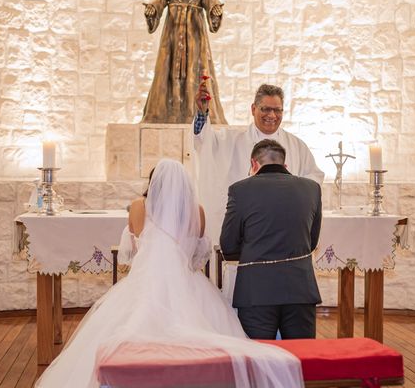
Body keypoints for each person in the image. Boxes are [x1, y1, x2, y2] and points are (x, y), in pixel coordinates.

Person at [35, 159, 303, 388]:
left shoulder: (138, 207)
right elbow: (199, 256)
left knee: (124, 328)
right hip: (187, 282)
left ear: (154, 184)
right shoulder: (197, 211)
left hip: (144, 282)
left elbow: (130, 252)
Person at [193, 82, 324, 252]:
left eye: (277, 110)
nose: (272, 115)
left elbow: (313, 181)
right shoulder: (232, 139)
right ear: (253, 109)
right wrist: (202, 114)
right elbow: (205, 141)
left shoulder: (297, 146)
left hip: (284, 234)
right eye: (265, 109)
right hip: (247, 232)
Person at [220, 140, 322, 339]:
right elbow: (312, 241)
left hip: (256, 290)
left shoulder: (240, 190)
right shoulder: (311, 188)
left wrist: (254, 250)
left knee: (260, 359)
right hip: (300, 288)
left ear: (254, 164)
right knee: (303, 357)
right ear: (285, 165)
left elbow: (228, 245)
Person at [141, 0, 227, 124]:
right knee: (166, 69)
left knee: (196, 70)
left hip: (195, 26)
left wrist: (214, 8)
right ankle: (164, 113)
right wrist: (154, 8)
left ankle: (194, 113)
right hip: (173, 25)